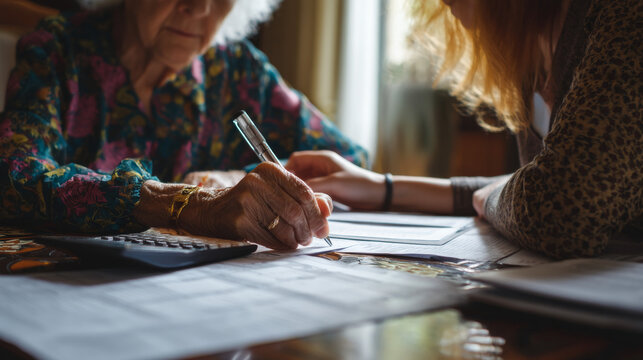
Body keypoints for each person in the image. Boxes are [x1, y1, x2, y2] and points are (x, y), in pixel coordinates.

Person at [285, 0, 642, 258]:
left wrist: (487, 199)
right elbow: (543, 181)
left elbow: (561, 207)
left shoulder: (623, 17)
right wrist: (383, 188)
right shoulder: (535, 44)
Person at [0, 0, 368, 250]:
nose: (201, 6)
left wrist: (237, 179)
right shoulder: (58, 50)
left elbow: (347, 158)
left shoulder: (240, 70)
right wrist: (190, 204)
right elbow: (13, 178)